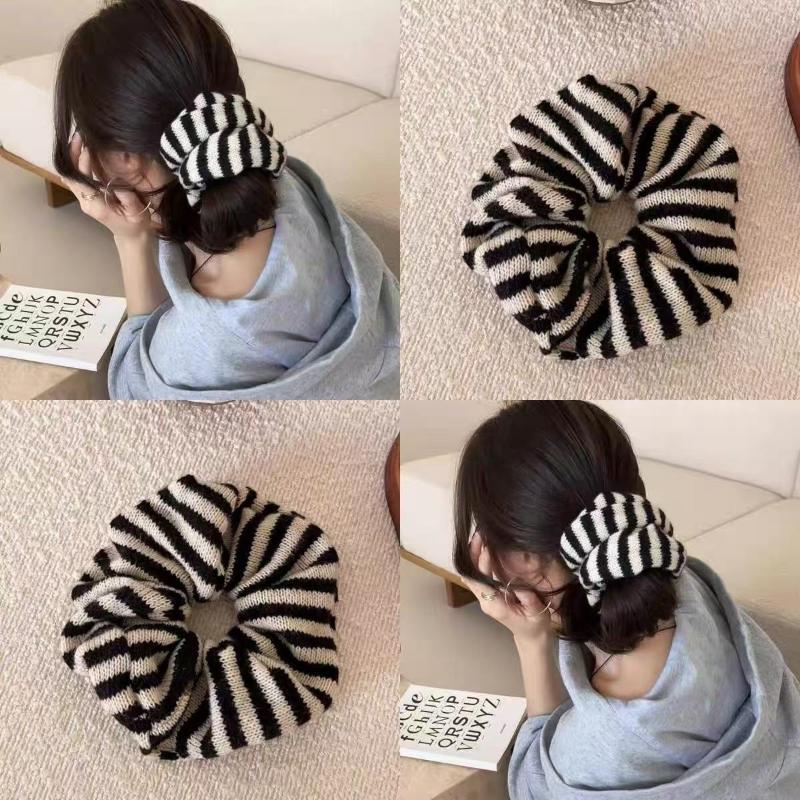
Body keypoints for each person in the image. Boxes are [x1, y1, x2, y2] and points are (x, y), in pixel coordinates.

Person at [453, 400, 800, 799]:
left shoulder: (608, 738)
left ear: (528, 559)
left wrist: (531, 642)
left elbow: (530, 787)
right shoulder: (681, 577)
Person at [53, 0, 398, 400]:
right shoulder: (280, 176)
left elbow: (130, 389)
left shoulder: (213, 333)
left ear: (128, 159)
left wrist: (131, 240)